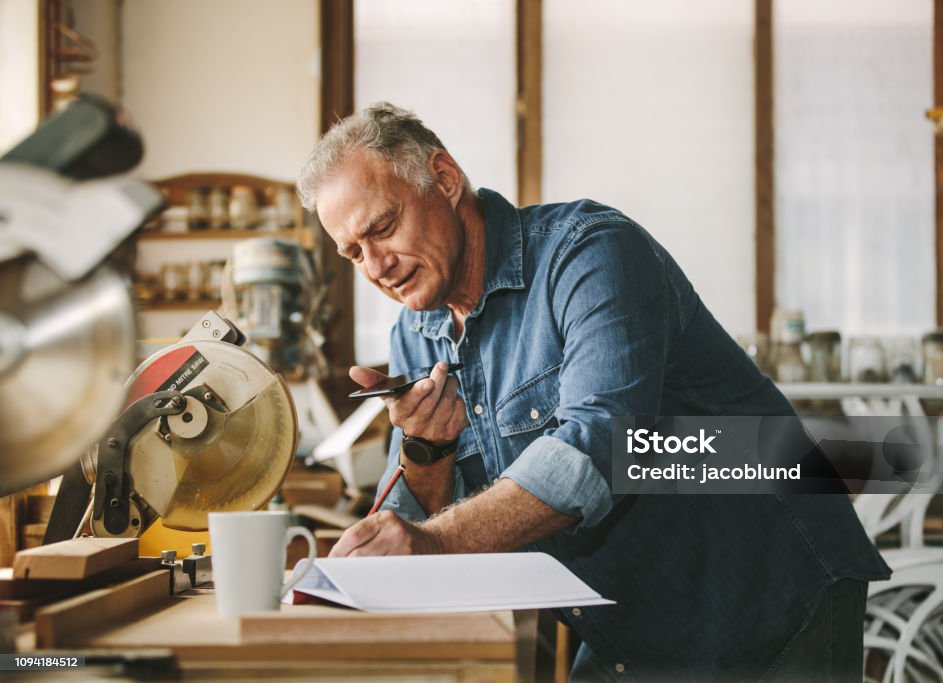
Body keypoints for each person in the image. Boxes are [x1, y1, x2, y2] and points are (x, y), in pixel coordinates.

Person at [298, 102, 890, 682]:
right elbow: (427, 511)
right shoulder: (416, 331)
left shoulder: (591, 254)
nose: (375, 265)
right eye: (353, 253)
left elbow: (601, 449)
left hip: (764, 590)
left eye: (382, 227)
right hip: (630, 620)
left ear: (445, 179)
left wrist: (430, 544)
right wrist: (426, 453)